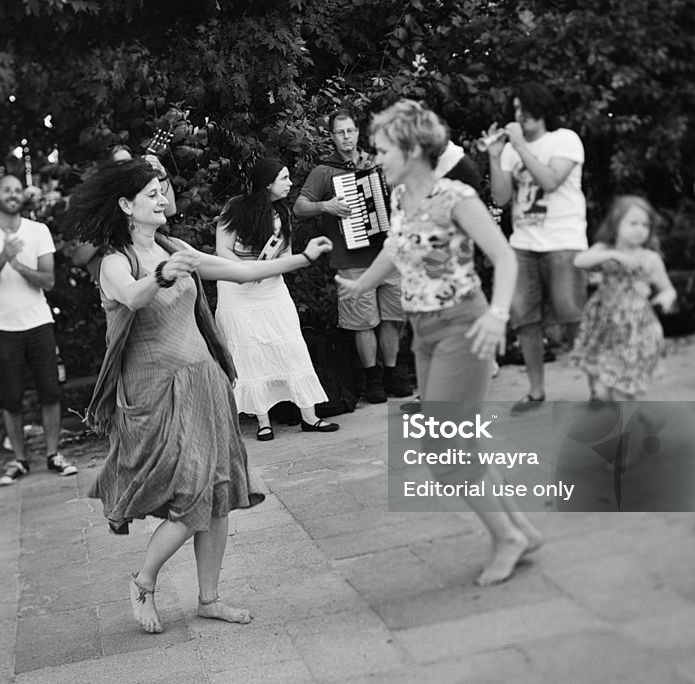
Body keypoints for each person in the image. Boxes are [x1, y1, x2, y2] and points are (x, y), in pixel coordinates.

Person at [66, 158, 332, 633]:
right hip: (155, 394)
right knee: (193, 494)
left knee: (219, 491)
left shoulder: (176, 247)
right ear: (127, 206)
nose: (161, 197)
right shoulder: (115, 262)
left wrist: (305, 257)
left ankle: (209, 598)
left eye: (162, 188)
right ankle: (143, 580)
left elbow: (243, 273)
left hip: (205, 381)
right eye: (151, 192)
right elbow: (132, 297)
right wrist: (164, 273)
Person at [337, 100, 543, 586]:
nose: (377, 158)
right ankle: (522, 530)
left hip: (462, 326)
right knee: (460, 443)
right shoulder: (402, 200)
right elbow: (395, 248)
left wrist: (497, 315)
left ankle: (507, 538)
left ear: (411, 149)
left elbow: (505, 257)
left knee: (443, 451)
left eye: (384, 150)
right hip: (423, 331)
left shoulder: (455, 197)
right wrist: (363, 285)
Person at [215, 158, 339, 441]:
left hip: (271, 287)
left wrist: (267, 270)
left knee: (291, 344)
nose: (290, 183)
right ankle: (263, 421)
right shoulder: (235, 206)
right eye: (284, 178)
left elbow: (286, 255)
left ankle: (310, 416)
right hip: (237, 286)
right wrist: (246, 271)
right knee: (250, 351)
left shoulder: (282, 213)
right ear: (268, 183)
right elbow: (222, 249)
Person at [0, 174, 78, 486]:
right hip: (0, 326)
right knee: (10, 396)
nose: (13, 194)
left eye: (17, 190)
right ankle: (19, 459)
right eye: (7, 190)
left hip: (38, 321)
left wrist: (18, 266)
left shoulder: (38, 231)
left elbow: (48, 280)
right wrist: (3, 256)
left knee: (51, 391)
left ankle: (54, 454)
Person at [295, 107, 412, 404]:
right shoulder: (325, 171)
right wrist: (326, 206)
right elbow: (299, 207)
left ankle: (393, 372)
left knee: (391, 316)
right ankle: (372, 377)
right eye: (339, 132)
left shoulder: (377, 163)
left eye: (350, 131)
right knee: (363, 322)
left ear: (358, 132)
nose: (346, 137)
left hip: (387, 255)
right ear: (332, 136)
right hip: (350, 259)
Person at [486, 82, 588, 412]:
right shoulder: (512, 149)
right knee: (524, 319)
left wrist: (519, 146)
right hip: (523, 245)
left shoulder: (565, 140)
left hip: (564, 242)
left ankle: (598, 387)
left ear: (540, 108)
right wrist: (496, 156)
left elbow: (550, 181)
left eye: (523, 109)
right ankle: (535, 391)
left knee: (572, 317)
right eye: (515, 110)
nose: (518, 116)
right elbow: (501, 198)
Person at [570, 195, 676, 400]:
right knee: (601, 389)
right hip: (604, 326)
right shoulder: (605, 250)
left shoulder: (650, 258)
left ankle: (631, 427)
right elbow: (580, 261)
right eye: (633, 223)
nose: (640, 229)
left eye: (645, 225)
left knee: (625, 391)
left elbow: (668, 289)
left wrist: (665, 299)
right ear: (616, 223)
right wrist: (613, 256)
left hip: (636, 330)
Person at [69, 148, 177, 283]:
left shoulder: (140, 190)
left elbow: (170, 210)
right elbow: (79, 258)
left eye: (129, 161)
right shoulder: (97, 205)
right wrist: (109, 224)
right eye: (121, 163)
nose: (127, 166)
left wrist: (162, 175)